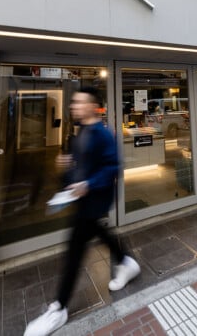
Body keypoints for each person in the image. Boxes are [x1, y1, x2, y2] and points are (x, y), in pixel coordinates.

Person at [24, 88, 140, 336]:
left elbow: (114, 166)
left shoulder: (102, 134)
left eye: (79, 102)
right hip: (83, 201)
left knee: (74, 252)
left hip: (93, 200)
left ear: (93, 106)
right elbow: (80, 168)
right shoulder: (80, 133)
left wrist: (88, 184)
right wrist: (66, 170)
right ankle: (126, 262)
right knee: (98, 232)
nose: (74, 106)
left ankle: (59, 308)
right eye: (74, 103)